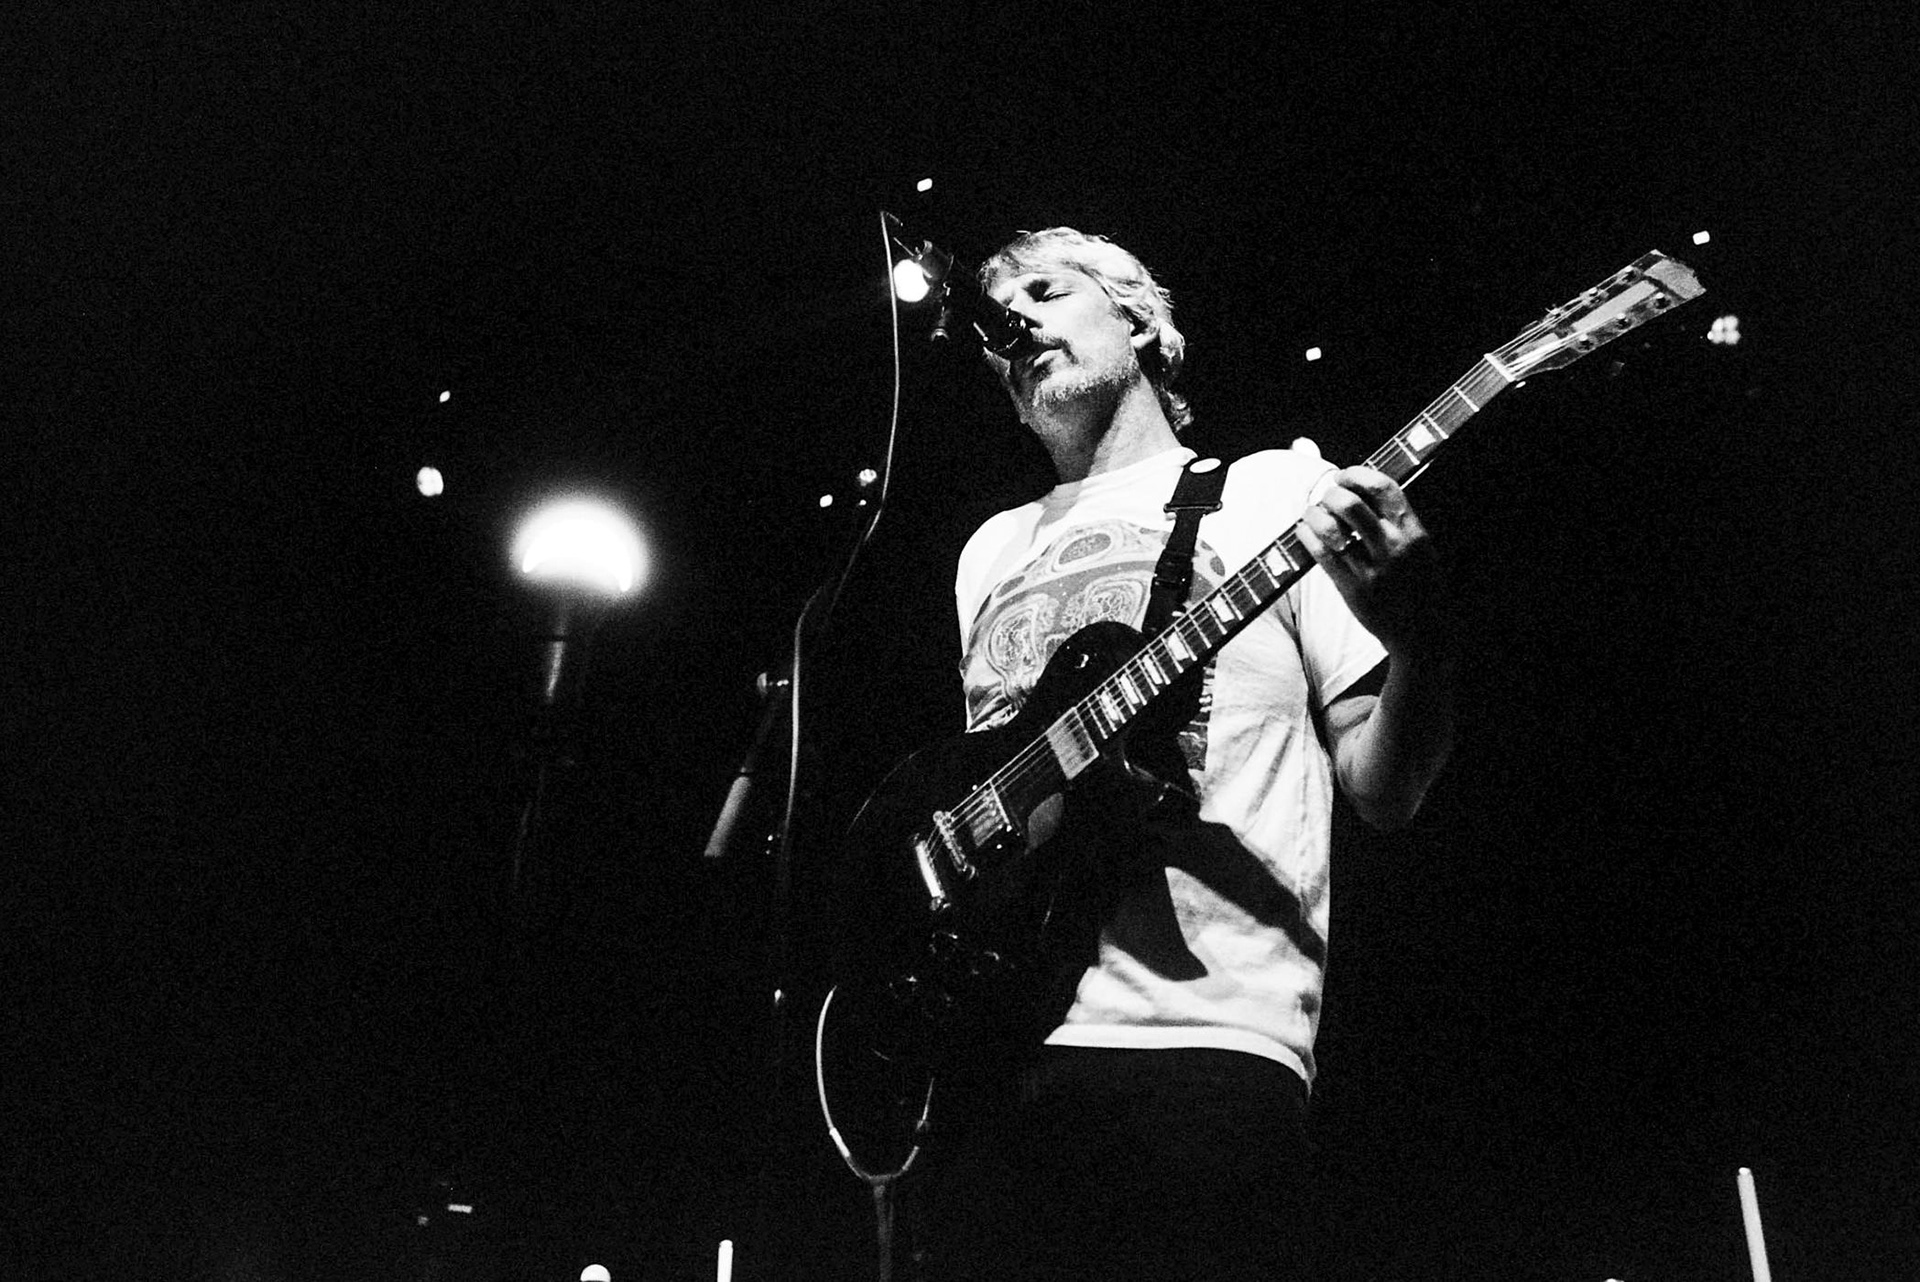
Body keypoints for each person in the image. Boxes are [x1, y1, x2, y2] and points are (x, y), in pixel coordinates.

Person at [913, 228, 1458, 1281]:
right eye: (998, 317)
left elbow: (1381, 787)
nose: (1015, 321)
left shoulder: (1275, 494)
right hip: (997, 1057)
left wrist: (1423, 639)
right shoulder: (989, 550)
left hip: (1208, 1047)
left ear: (1138, 321)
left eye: (1048, 291)